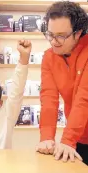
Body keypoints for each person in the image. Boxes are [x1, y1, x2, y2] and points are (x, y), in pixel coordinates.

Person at [36, 1, 88, 165]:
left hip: (74, 134)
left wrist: (67, 139)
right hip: (79, 136)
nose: (53, 41)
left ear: (78, 33)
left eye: (61, 36)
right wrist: (46, 137)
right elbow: (49, 98)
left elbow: (84, 99)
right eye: (50, 34)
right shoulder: (49, 57)